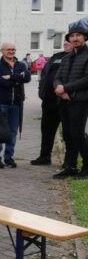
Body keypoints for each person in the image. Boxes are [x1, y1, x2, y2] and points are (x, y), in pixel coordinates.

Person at [53, 19, 88, 179]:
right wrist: (60, 89)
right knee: (67, 134)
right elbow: (57, 77)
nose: (75, 38)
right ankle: (70, 166)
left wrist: (66, 88)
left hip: (80, 101)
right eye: (72, 36)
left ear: (85, 37)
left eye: (78, 35)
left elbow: (86, 79)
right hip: (64, 101)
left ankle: (86, 168)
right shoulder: (67, 58)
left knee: (78, 134)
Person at [0, 42, 31, 169]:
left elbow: (28, 77)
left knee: (13, 132)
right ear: (2, 51)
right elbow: (0, 81)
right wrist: (18, 79)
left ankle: (8, 157)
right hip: (2, 103)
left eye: (13, 49)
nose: (11, 51)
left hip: (16, 104)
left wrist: (10, 77)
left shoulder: (21, 64)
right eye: (8, 49)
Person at [32, 40, 72, 166]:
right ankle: (44, 157)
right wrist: (41, 92)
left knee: (69, 132)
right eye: (65, 41)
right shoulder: (56, 56)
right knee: (47, 130)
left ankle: (69, 161)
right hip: (49, 101)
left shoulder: (76, 58)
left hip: (67, 102)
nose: (65, 43)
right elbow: (44, 74)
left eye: (68, 41)